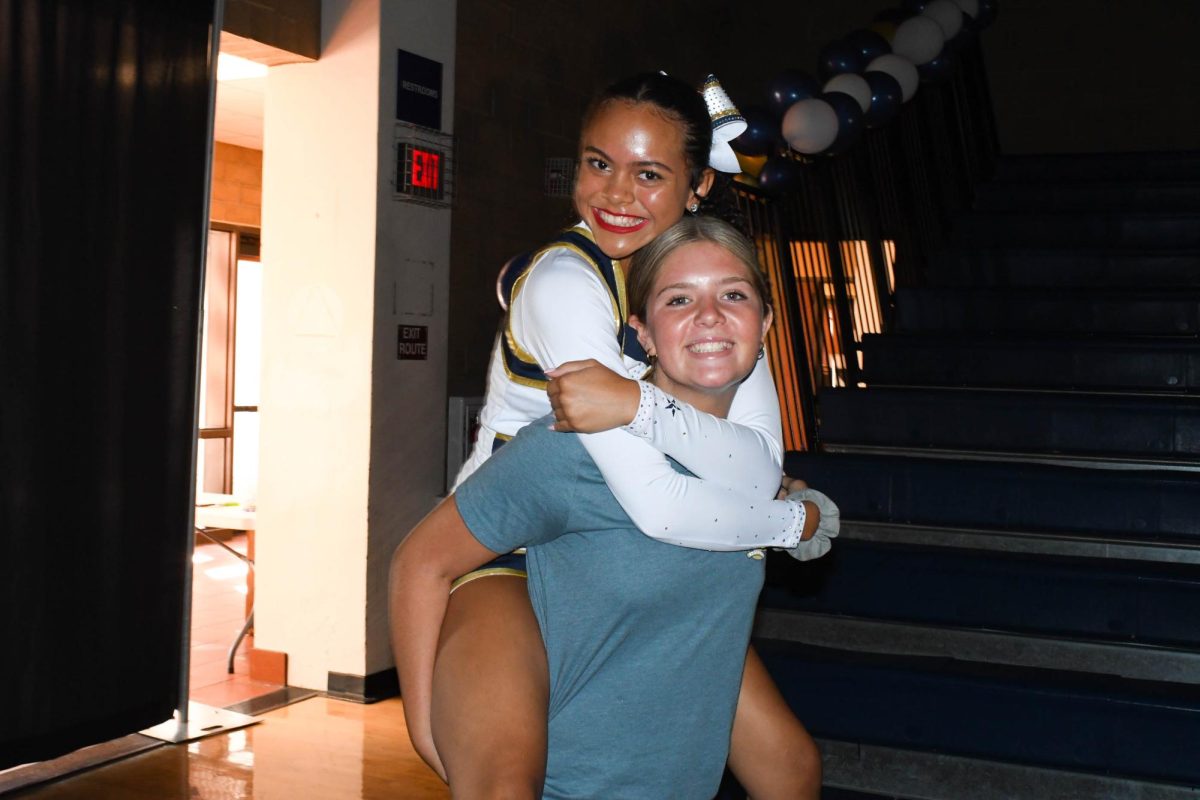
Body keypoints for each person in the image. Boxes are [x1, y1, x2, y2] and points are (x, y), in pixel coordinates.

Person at [394, 73, 835, 798]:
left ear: (696, 187)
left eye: (648, 174)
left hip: (626, 539)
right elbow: (658, 496)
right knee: (507, 778)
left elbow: (754, 460)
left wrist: (759, 484)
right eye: (598, 163)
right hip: (510, 545)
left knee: (790, 765)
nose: (615, 194)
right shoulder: (568, 281)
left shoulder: (699, 286)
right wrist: (798, 519)